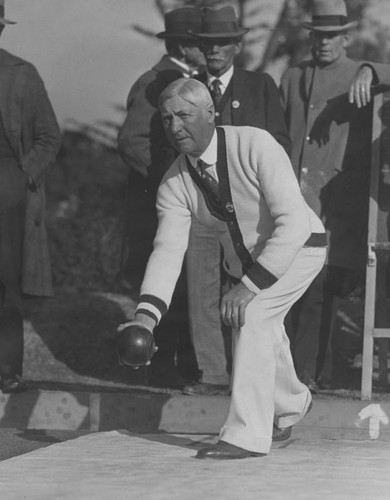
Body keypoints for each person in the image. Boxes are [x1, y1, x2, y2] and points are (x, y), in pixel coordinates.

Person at [119, 77, 327, 459]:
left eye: (183, 114)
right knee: (265, 325)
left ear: (211, 113)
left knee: (252, 314)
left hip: (300, 247)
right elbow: (167, 251)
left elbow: (294, 223)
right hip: (249, 265)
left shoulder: (256, 144)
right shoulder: (173, 184)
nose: (175, 126)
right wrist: (145, 317)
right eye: (166, 119)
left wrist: (249, 285)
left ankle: (246, 435)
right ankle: (294, 403)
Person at [280, 0, 390, 390]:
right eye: (318, 36)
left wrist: (369, 69)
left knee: (322, 290)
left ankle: (313, 374)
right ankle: (294, 374)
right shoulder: (293, 76)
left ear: (346, 38)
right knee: (289, 290)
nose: (324, 43)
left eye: (332, 36)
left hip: (334, 203)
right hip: (292, 199)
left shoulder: (357, 74)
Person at [182, 6, 291, 396]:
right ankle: (212, 374)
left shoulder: (259, 85)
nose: (214, 50)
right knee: (202, 290)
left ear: (237, 45)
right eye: (207, 44)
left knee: (247, 292)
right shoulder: (188, 86)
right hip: (201, 210)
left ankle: (249, 376)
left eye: (222, 43)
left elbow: (280, 143)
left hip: (247, 213)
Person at [117, 7, 205, 388]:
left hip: (184, 203)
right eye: (202, 44)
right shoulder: (154, 82)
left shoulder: (187, 80)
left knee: (186, 285)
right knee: (163, 284)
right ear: (185, 45)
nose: (209, 51)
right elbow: (132, 142)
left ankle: (179, 367)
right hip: (158, 205)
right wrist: (171, 182)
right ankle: (161, 369)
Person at [0, 3, 61, 393]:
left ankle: (6, 370)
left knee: (6, 282)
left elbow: (48, 136)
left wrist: (22, 177)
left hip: (7, 186)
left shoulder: (21, 74)